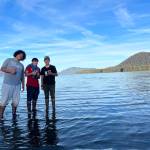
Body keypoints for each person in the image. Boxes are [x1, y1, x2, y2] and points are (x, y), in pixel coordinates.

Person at [0, 50, 26, 119]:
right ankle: (1, 115)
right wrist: (9, 70)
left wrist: (23, 85)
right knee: (4, 100)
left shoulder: (21, 65)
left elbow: (22, 76)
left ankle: (14, 114)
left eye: (22, 55)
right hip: (7, 84)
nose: (21, 56)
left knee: (16, 102)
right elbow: (2, 68)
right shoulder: (9, 60)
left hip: (17, 86)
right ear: (16, 54)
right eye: (20, 54)